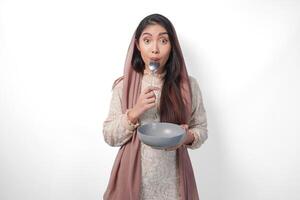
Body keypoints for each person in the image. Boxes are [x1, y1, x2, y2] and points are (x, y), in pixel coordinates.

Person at [102, 13, 208, 200]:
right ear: (137, 45)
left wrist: (186, 137)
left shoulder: (189, 86)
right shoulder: (123, 86)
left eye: (163, 41)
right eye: (148, 41)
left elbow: (200, 128)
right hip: (132, 182)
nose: (155, 49)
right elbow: (109, 135)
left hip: (174, 184)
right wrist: (134, 112)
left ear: (172, 46)